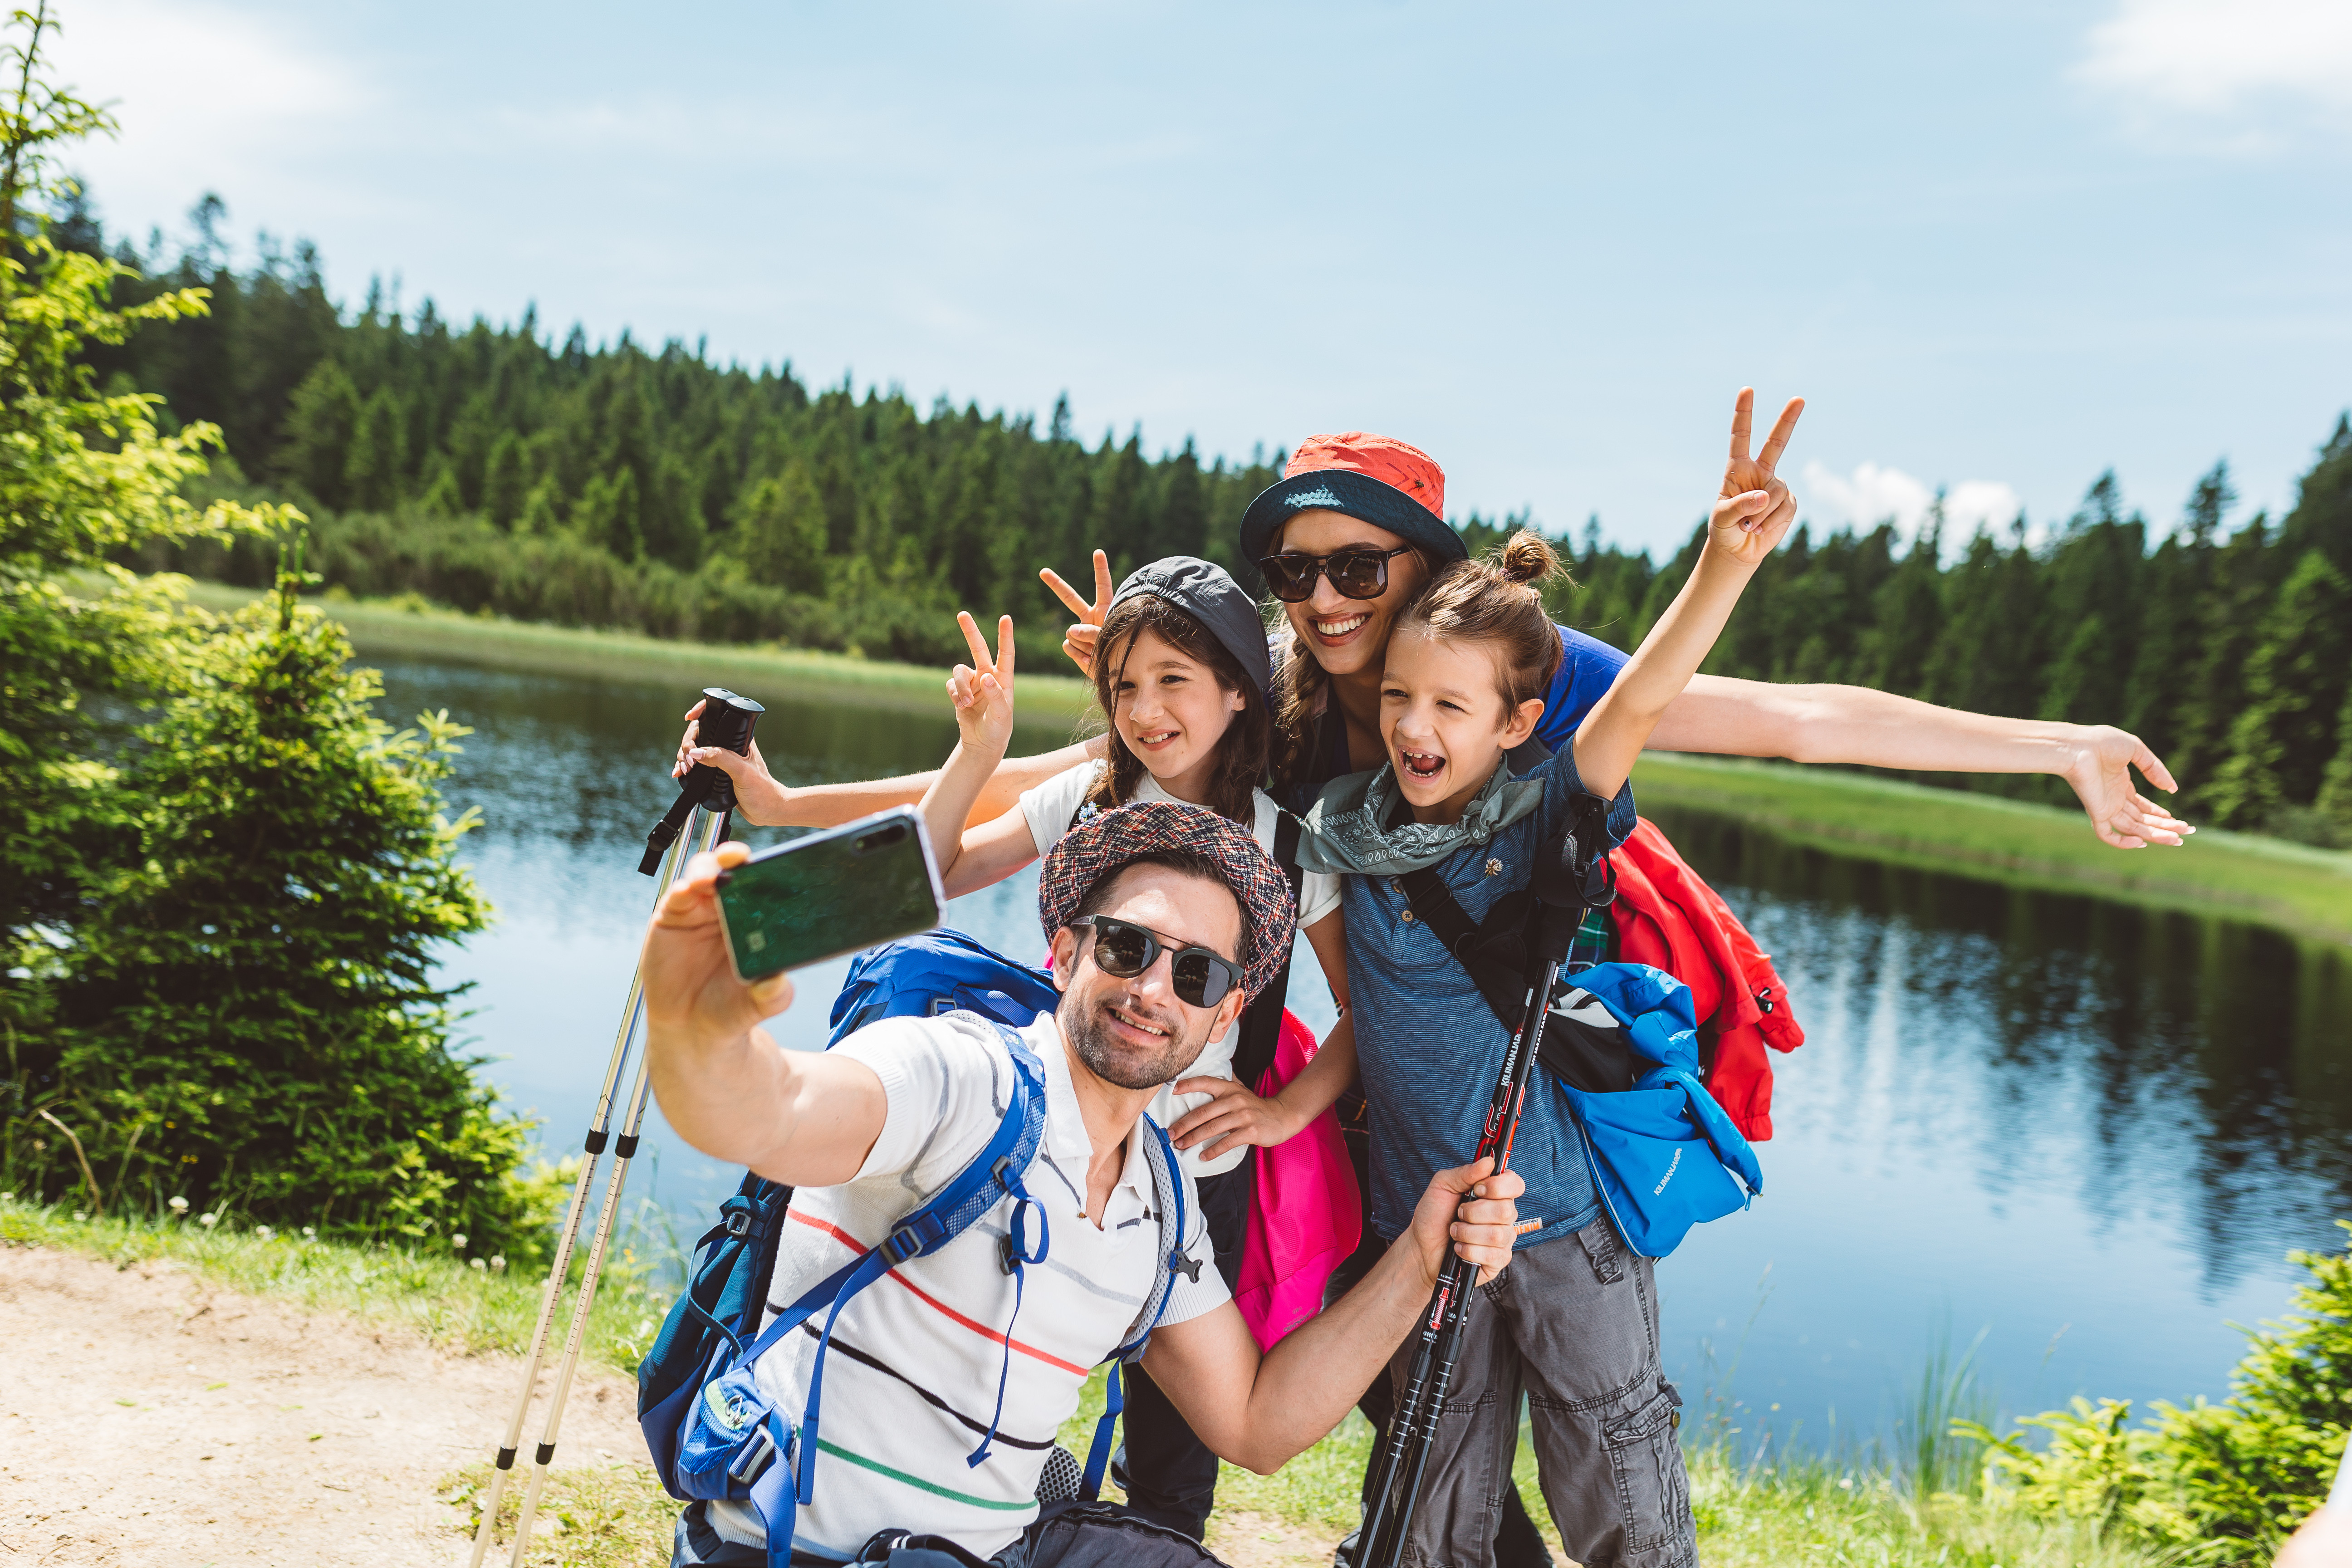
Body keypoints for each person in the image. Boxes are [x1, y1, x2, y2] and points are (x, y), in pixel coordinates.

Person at [676, 392, 2191, 856]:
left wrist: (2053, 742)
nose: (1325, 600)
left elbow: (1795, 712)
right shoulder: (1265, 684)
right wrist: (794, 802)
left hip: (1506, 1000)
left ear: (1421, 573)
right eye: (1297, 571)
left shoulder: (1501, 676)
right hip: (1332, 1026)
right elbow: (1041, 787)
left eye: (1359, 570)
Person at [641, 800, 1528, 1568]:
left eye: (1196, 973)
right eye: (1128, 946)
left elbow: (1256, 1425)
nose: (1153, 988)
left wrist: (1418, 1254)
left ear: (1225, 1014)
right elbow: (770, 1109)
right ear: (1065, 952)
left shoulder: (1159, 1202)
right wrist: (698, 1025)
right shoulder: (960, 1077)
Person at [1298, 494, 1785, 1568]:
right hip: (1422, 1234)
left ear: (1516, 724)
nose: (1415, 727)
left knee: (1613, 1476)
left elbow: (1645, 695)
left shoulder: (1545, 817)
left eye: (1451, 707)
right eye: (1398, 696)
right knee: (1428, 1505)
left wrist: (1720, 568)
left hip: (1562, 1224)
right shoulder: (1342, 827)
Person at [913, 558, 1362, 1538]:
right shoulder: (1088, 797)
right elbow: (934, 870)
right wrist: (979, 751)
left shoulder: (1289, 844)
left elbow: (1365, 1005)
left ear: (1239, 690)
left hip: (1197, 1177)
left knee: (1174, 1460)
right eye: (1124, 685)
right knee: (995, 1387)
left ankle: (1142, 1545)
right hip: (1049, 1152)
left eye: (1174, 680)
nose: (1146, 709)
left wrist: (1285, 1111)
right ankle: (1013, 1522)